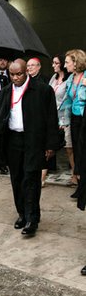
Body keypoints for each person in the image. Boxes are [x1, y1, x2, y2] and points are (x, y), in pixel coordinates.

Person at [0, 59, 60, 236]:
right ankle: (22, 213)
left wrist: (51, 144)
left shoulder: (42, 90)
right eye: (12, 74)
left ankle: (32, 219)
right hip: (13, 140)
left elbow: (52, 118)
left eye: (19, 74)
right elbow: (1, 117)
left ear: (27, 72)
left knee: (31, 178)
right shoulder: (6, 92)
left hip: (33, 140)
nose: (15, 78)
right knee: (17, 178)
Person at [42, 55, 72, 187]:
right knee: (50, 146)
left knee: (69, 149)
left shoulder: (69, 80)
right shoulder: (53, 78)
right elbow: (47, 94)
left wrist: (63, 121)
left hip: (64, 118)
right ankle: (41, 177)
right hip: (52, 117)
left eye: (56, 63)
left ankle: (76, 175)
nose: (53, 65)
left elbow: (67, 100)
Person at [60, 49, 86, 199]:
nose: (65, 65)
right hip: (75, 120)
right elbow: (66, 101)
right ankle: (81, 188)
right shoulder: (71, 78)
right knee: (77, 153)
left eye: (67, 62)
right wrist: (62, 120)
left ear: (76, 63)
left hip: (85, 120)